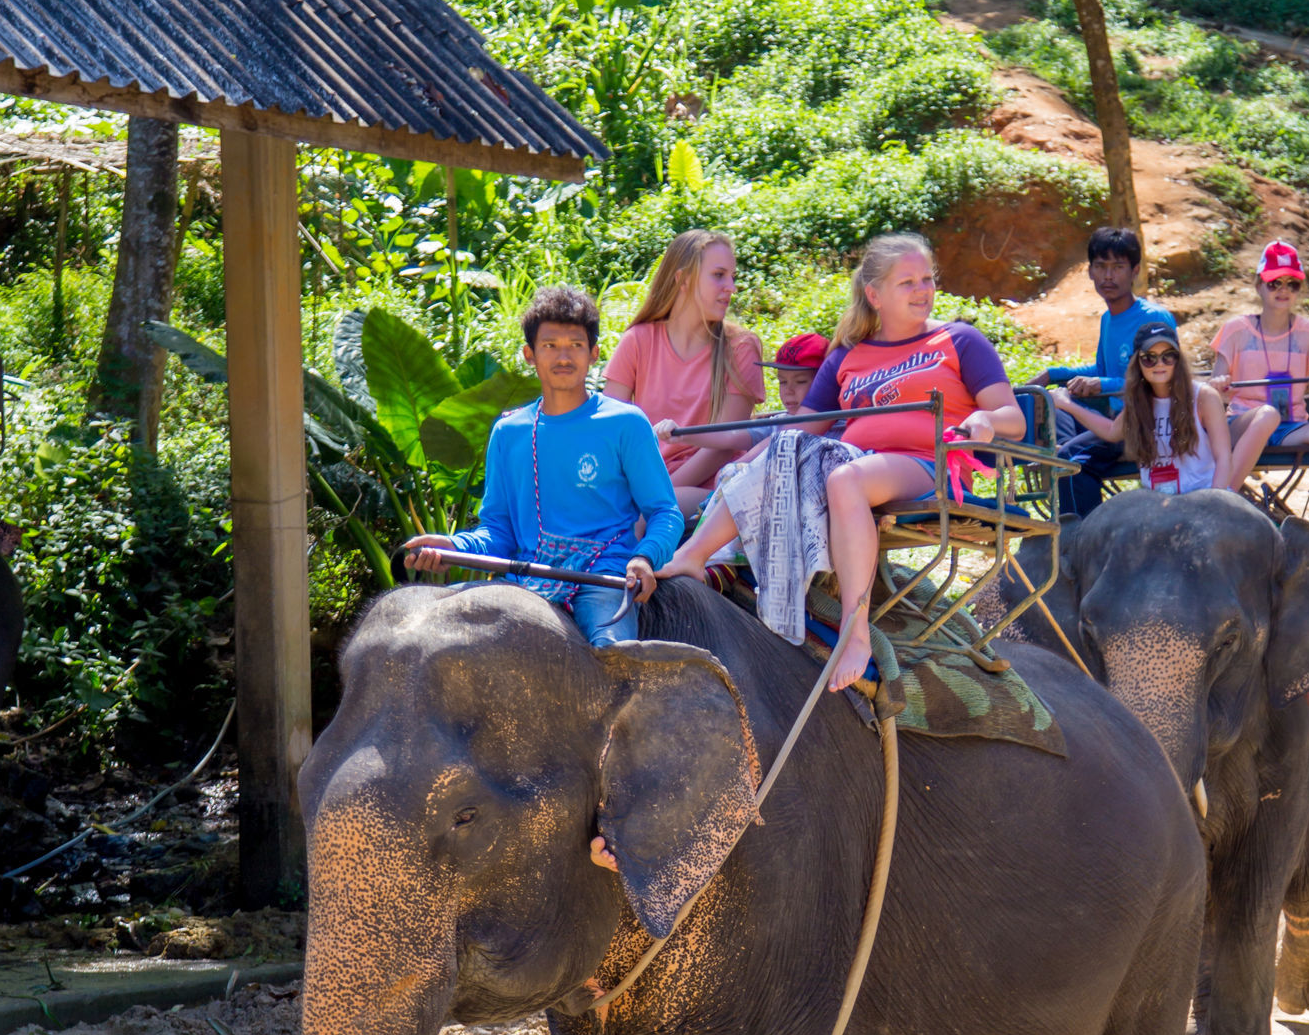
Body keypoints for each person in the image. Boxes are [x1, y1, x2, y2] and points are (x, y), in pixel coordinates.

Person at [660, 232, 1022, 694]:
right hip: (855, 461)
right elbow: (795, 433)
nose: (922, 290)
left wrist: (986, 420)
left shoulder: (958, 341)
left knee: (846, 478)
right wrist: (738, 471)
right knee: (791, 454)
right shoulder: (848, 357)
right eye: (907, 282)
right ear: (875, 295)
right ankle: (693, 557)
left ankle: (855, 636)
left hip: (926, 464)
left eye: (927, 279)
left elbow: (1012, 417)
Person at [404, 283, 680, 647]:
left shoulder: (626, 423)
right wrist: (453, 545)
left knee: (613, 654)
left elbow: (665, 512)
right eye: (550, 345)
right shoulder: (509, 431)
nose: (563, 357)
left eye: (575, 346)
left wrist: (645, 558)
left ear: (594, 353)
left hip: (604, 580)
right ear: (529, 354)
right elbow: (499, 532)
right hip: (526, 580)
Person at [601, 229, 766, 513]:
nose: (731, 287)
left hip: (710, 491)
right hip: (642, 484)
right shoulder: (638, 340)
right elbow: (609, 432)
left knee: (639, 520)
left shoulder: (741, 347)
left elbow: (723, 447)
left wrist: (656, 495)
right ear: (683, 280)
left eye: (732, 277)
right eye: (718, 275)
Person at [1212, 240, 1309, 532]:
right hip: (1243, 423)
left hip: (1289, 426)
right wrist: (1221, 387)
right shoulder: (1236, 331)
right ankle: (1220, 503)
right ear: (1259, 286)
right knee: (1266, 415)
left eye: (1292, 283)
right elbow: (1215, 393)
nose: (1283, 289)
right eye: (1274, 282)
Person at [1052, 319, 1265, 496]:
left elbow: (1223, 456)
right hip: (1156, 500)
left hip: (1201, 494)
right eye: (1149, 358)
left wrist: (1216, 499)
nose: (1160, 364)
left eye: (1168, 356)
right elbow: (1111, 431)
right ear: (1137, 362)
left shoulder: (1203, 396)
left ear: (1178, 359)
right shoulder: (1139, 401)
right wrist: (1067, 404)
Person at [1051, 226, 1180, 408]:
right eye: (1101, 267)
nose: (1108, 276)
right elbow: (1104, 370)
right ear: (1090, 272)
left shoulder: (1154, 318)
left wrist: (1103, 384)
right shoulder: (1107, 319)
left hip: (1147, 424)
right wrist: (1052, 374)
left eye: (1118, 267)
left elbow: (1164, 380)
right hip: (1113, 421)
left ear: (1135, 271)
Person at [771, 330, 829, 416]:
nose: (788, 391)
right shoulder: (777, 422)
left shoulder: (841, 426)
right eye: (783, 382)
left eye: (800, 381)